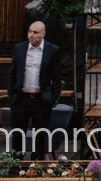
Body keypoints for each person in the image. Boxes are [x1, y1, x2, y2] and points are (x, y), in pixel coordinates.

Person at [6, 21, 62, 158]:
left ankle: (36, 166)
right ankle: (16, 165)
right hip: (21, 98)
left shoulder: (52, 50)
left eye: (35, 32)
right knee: (18, 135)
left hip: (41, 99)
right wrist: (12, 96)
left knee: (40, 137)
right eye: (29, 31)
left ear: (43, 34)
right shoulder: (19, 48)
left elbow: (57, 77)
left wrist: (52, 98)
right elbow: (12, 73)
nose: (31, 35)